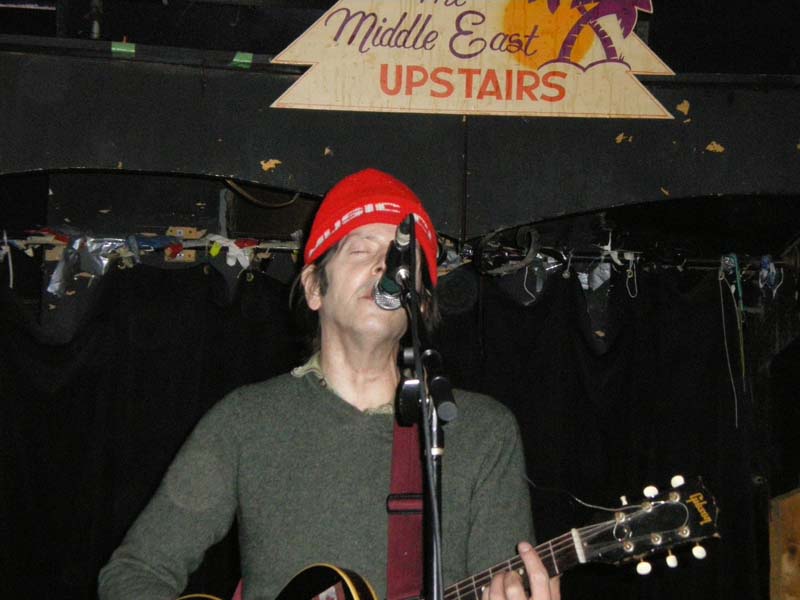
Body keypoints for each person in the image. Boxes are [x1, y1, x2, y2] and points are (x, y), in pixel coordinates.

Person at [98, 168, 560, 600]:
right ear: (315, 289)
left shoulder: (480, 431)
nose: (386, 265)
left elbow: (504, 581)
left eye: (405, 259)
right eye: (361, 249)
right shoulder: (245, 422)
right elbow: (133, 574)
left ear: (420, 302)